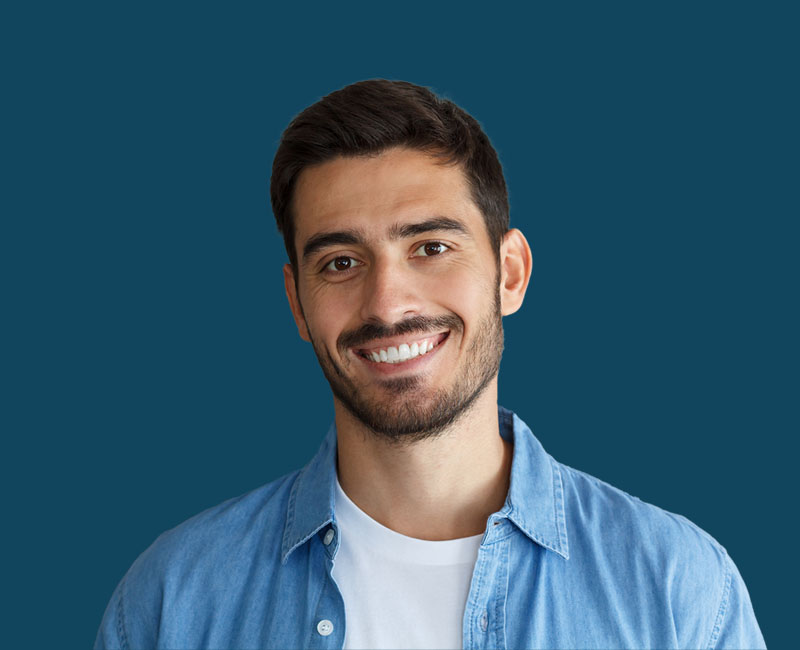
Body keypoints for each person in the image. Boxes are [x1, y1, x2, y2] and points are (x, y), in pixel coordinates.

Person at [95, 79, 765, 650]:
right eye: (340, 263)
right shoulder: (172, 601)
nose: (387, 304)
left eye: (431, 247)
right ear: (297, 303)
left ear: (510, 272)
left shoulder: (677, 590)